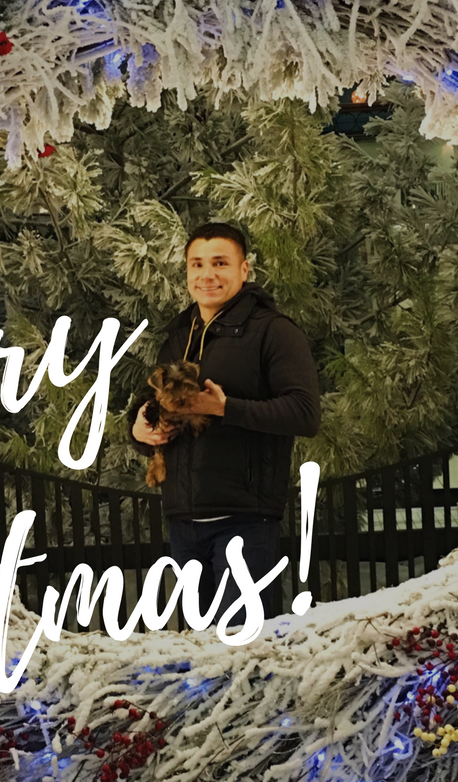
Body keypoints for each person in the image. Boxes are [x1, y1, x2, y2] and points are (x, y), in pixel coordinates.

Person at [129, 221, 321, 627]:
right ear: (187, 271)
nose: (207, 275)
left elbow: (304, 413)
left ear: (244, 269)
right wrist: (140, 431)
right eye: (197, 264)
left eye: (220, 263)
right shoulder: (179, 334)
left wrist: (225, 408)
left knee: (242, 647)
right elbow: (148, 403)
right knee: (200, 651)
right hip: (183, 521)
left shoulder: (274, 332)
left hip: (246, 520)